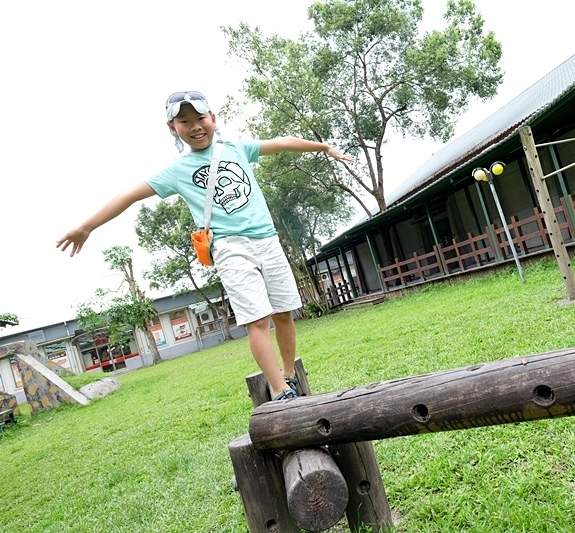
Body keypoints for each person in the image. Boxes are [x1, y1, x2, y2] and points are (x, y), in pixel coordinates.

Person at [56, 91, 353, 401]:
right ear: (173, 128)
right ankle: (279, 390)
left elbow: (282, 143)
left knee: (283, 312)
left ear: (213, 118)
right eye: (185, 121)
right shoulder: (177, 171)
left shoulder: (236, 148)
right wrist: (86, 226)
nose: (195, 126)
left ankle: (289, 374)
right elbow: (129, 195)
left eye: (200, 118)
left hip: (267, 239)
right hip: (229, 246)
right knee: (258, 320)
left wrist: (323, 147)